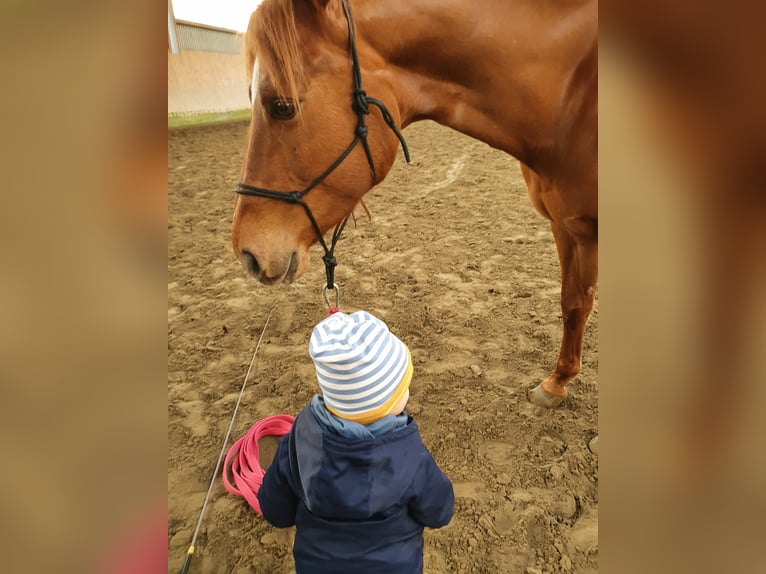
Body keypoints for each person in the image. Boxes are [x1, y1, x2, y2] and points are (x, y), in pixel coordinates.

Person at [258, 310, 455, 574]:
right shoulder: (411, 457)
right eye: (401, 387)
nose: (408, 390)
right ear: (382, 406)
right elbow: (439, 512)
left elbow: (275, 511)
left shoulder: (297, 443)